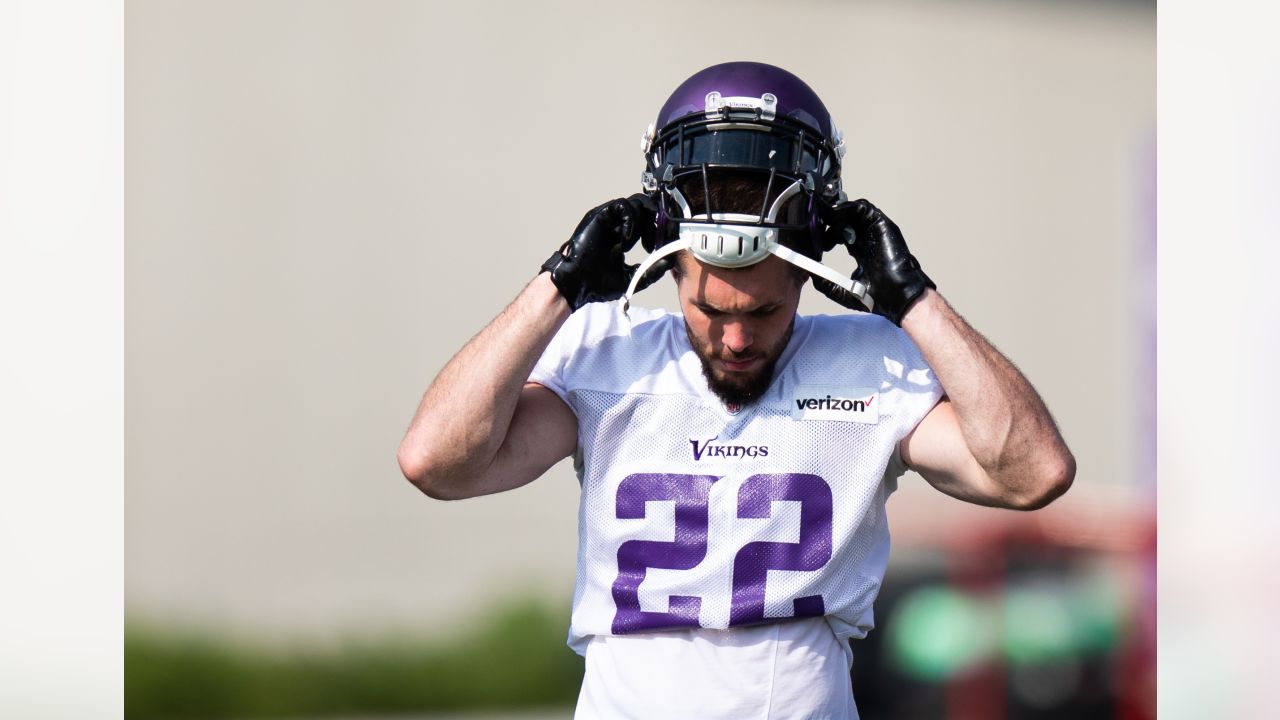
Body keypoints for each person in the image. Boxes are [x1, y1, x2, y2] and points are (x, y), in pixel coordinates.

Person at [397, 61, 1074, 719]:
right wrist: (557, 286)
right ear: (667, 269)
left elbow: (1032, 473)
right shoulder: (611, 352)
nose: (737, 339)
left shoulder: (870, 364)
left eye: (763, 311)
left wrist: (916, 301)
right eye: (711, 310)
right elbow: (438, 462)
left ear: (805, 276)